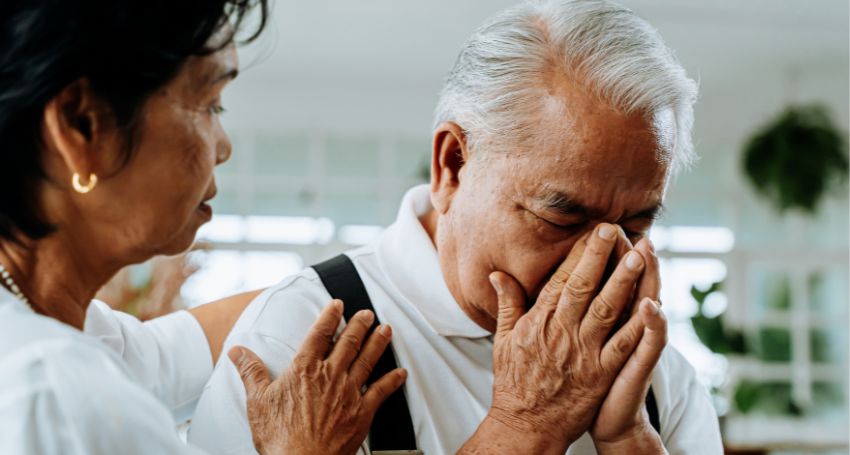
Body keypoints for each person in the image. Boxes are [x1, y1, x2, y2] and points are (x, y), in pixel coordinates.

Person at [188, 0, 724, 454]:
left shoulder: (662, 380)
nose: (599, 264)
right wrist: (524, 428)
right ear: (452, 165)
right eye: (561, 216)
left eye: (633, 227)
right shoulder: (296, 344)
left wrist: (629, 439)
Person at [0, 1, 405, 453]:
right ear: (83, 126)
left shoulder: (56, 323)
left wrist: (383, 273)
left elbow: (173, 349)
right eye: (209, 105)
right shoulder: (54, 396)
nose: (224, 147)